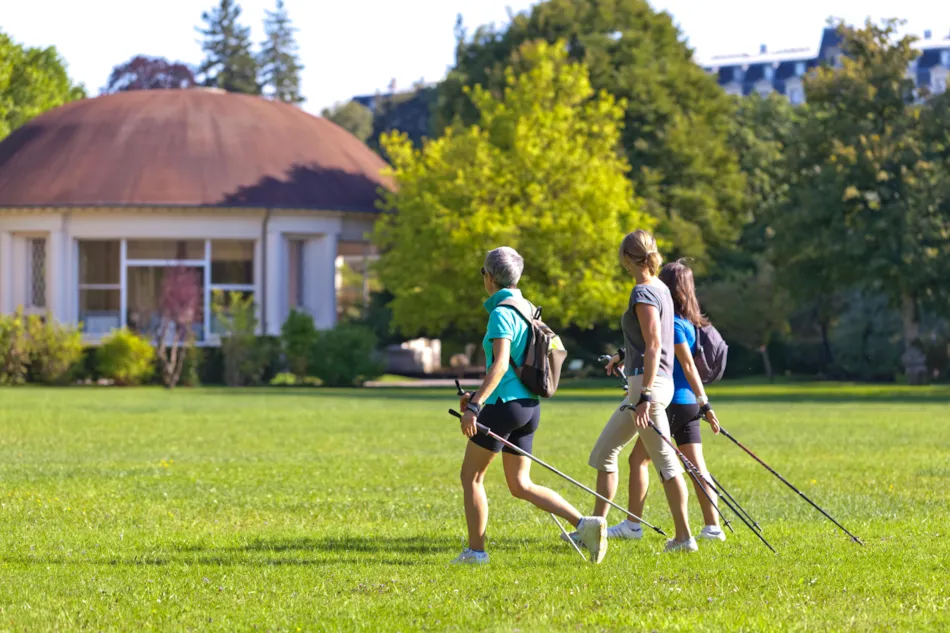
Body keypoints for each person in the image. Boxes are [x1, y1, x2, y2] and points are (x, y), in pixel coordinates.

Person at [453, 246, 608, 565]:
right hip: (528, 407)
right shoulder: (526, 308)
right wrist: (478, 395)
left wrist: (475, 405)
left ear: (491, 277)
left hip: (502, 407)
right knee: (520, 484)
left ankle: (476, 552)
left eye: (483, 273)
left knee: (472, 477)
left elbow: (499, 366)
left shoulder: (500, 313)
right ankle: (585, 524)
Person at [570, 230, 698, 553]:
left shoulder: (642, 292)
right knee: (604, 453)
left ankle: (684, 538)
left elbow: (655, 344)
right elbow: (650, 341)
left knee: (666, 465)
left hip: (648, 388)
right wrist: (623, 356)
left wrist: (644, 397)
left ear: (627, 258)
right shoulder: (662, 289)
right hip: (655, 383)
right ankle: (593, 531)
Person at [606, 259, 723, 543]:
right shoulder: (690, 323)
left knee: (647, 462)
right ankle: (712, 527)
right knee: (692, 465)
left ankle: (634, 525)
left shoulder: (674, 324)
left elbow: (680, 361)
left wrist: (704, 402)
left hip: (672, 402)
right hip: (686, 403)